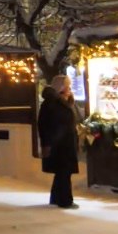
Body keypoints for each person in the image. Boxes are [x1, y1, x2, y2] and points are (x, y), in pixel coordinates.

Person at [39, 74, 80, 209]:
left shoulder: (64, 101)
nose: (69, 89)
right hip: (59, 143)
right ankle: (65, 200)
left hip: (65, 141)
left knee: (63, 172)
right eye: (67, 86)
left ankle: (57, 198)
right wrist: (48, 143)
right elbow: (44, 124)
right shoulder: (51, 103)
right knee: (64, 172)